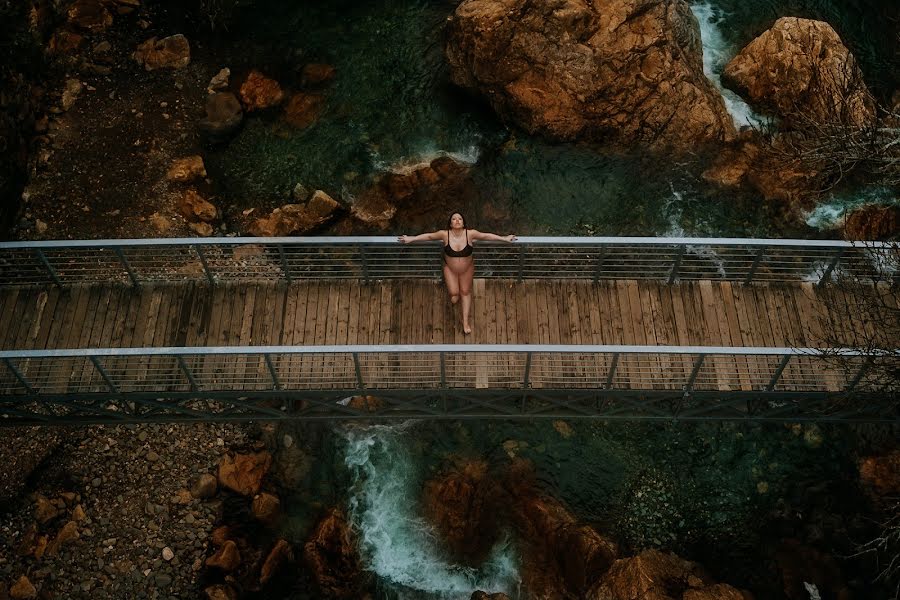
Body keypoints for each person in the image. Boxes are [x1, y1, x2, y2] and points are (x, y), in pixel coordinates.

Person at [398, 212, 516, 334]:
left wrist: (504, 239)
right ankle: (456, 295)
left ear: (463, 222)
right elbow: (429, 236)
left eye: (460, 219)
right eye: (454, 219)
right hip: (450, 269)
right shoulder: (444, 235)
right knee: (454, 295)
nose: (457, 220)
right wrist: (411, 239)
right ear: (450, 223)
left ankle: (465, 323)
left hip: (467, 269)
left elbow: (486, 236)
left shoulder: (470, 234)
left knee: (465, 292)